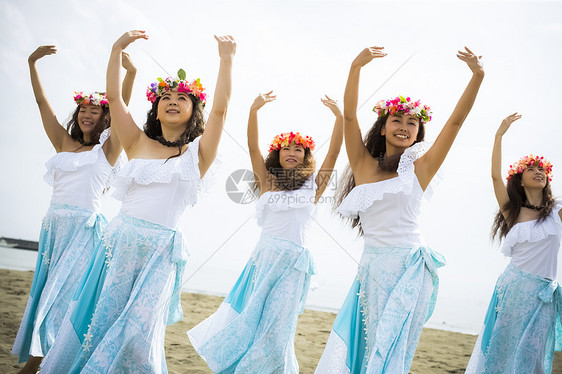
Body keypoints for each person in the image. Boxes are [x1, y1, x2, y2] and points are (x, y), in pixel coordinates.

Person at [39, 30, 235, 373]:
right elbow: (114, 98)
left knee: (139, 335)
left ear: (194, 110)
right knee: (95, 320)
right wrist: (116, 49)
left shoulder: (198, 154)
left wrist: (226, 59)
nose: (172, 101)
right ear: (156, 109)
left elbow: (220, 109)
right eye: (165, 97)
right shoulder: (136, 142)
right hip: (118, 244)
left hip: (160, 253)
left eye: (182, 98)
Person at [315, 45, 484, 373]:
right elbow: (349, 117)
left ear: (419, 133)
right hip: (373, 268)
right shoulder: (364, 166)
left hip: (410, 268)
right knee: (372, 345)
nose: (404, 126)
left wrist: (477, 76)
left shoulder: (420, 168)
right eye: (397, 120)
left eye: (412, 122)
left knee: (394, 350)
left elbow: (456, 123)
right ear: (383, 127)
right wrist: (355, 67)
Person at [188, 91, 343, 373]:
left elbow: (333, 152)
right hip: (263, 260)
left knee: (277, 330)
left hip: (294, 266)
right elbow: (251, 147)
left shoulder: (314, 186)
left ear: (306, 155)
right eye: (286, 148)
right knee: (250, 323)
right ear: (278, 153)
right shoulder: (267, 181)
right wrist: (254, 110)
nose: (292, 153)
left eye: (299, 149)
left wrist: (340, 117)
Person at [12, 45, 136, 374]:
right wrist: (32, 62)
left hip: (84, 233)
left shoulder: (108, 149)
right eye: (82, 108)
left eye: (95, 110)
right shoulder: (63, 143)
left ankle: (37, 368)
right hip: (54, 230)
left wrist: (131, 74)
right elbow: (42, 104)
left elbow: (123, 110)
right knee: (45, 299)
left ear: (105, 117)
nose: (86, 114)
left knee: (62, 305)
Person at [465, 113, 562, 373]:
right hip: (514, 287)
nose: (538, 171)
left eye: (541, 169)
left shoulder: (557, 211)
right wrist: (499, 135)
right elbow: (496, 178)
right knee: (503, 350)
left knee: (533, 356)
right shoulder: (513, 211)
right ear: (520, 178)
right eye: (531, 169)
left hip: (543, 294)